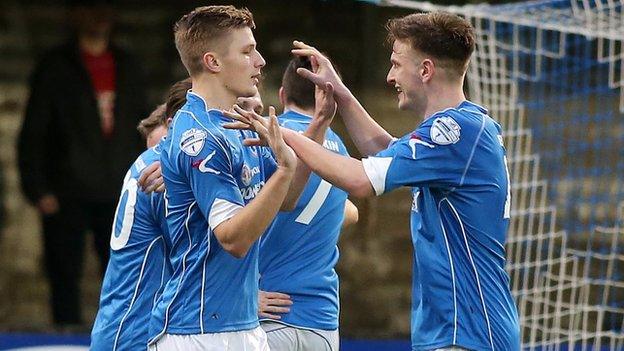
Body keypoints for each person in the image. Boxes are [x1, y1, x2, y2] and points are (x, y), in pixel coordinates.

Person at [226, 11, 520, 351]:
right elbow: (385, 150)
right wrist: (341, 94)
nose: (389, 75)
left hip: (468, 331)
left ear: (425, 70)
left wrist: (281, 135)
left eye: (396, 64)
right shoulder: (462, 129)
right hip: (457, 330)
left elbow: (360, 180)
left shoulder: (454, 131)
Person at [148, 6, 334, 350]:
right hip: (197, 329)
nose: (260, 60)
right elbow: (233, 239)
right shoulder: (199, 136)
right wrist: (284, 168)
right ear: (213, 62)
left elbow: (287, 199)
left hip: (243, 325)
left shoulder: (238, 124)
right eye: (247, 52)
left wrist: (317, 125)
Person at [17, 0, 147, 327]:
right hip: (66, 189)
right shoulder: (56, 66)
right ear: (74, 14)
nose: (99, 15)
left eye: (105, 8)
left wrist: (144, 180)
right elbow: (34, 130)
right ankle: (65, 340)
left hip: (118, 187)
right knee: (63, 273)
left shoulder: (127, 65)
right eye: (90, 8)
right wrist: (37, 188)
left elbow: (144, 126)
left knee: (124, 271)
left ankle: (121, 337)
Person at [257, 56, 358, 351]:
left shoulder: (267, 137)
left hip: (270, 313)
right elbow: (349, 211)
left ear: (282, 95)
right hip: (322, 321)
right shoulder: (340, 149)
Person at [90, 79, 189, 351]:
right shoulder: (158, 180)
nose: (160, 155)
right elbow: (199, 257)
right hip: (136, 333)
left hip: (129, 328)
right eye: (159, 148)